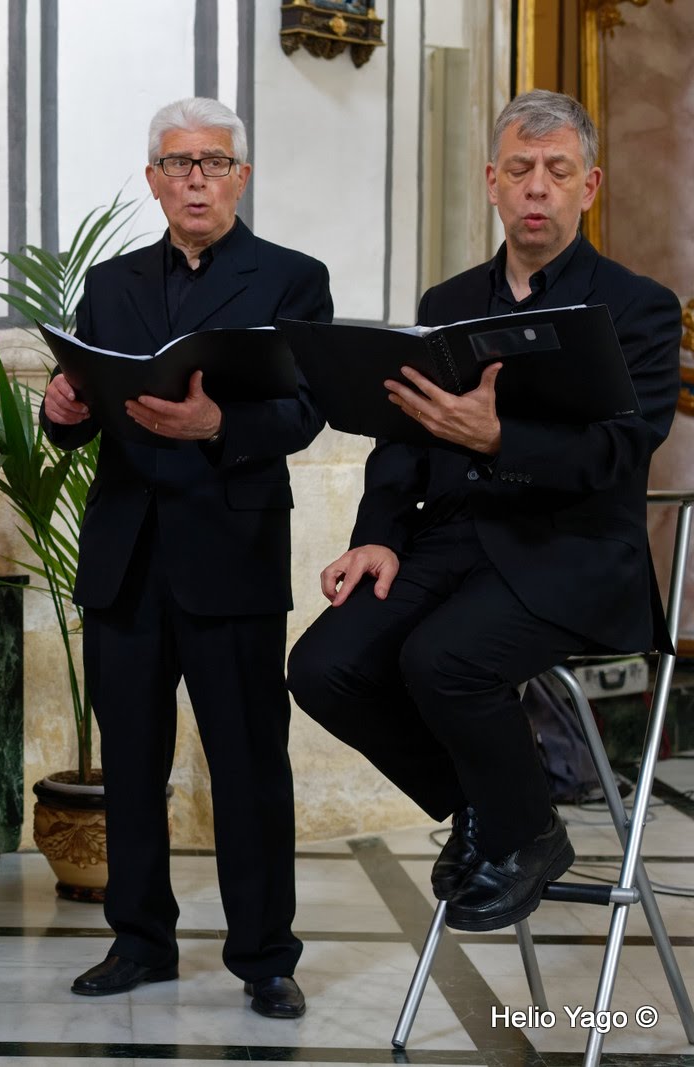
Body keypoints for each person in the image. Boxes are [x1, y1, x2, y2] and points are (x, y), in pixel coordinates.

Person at [287, 90, 681, 933]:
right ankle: (495, 809)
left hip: (573, 549)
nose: (538, 187)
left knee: (442, 659)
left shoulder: (639, 306)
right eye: (520, 170)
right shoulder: (446, 301)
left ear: (589, 185)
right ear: (492, 185)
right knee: (323, 666)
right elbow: (402, 438)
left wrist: (501, 436)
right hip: (455, 537)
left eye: (558, 171)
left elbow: (619, 453)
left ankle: (524, 828)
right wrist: (378, 539)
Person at [40, 97, 331, 1019]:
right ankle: (140, 940)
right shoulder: (112, 280)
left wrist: (218, 424)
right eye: (176, 163)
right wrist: (62, 413)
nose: (194, 178)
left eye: (211, 162)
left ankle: (264, 956)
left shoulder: (291, 279)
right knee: (130, 759)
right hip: (126, 555)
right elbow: (79, 414)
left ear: (241, 176)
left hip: (231, 549)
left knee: (249, 762)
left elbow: (306, 411)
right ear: (153, 179)